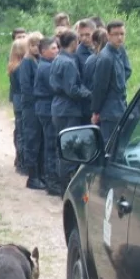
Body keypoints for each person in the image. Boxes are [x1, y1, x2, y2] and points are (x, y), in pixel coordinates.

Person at [49, 30, 91, 191]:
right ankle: (66, 186)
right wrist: (89, 94)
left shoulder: (57, 59)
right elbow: (72, 89)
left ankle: (62, 183)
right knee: (69, 149)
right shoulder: (69, 63)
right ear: (73, 43)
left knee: (62, 146)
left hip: (57, 108)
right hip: (68, 110)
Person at [91, 20, 129, 142]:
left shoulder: (120, 51)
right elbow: (99, 87)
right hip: (109, 111)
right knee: (109, 145)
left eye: (122, 34)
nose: (119, 37)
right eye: (115, 34)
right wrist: (96, 111)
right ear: (108, 35)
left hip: (120, 107)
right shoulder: (105, 57)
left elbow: (127, 71)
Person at [34, 37, 61, 196]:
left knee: (50, 143)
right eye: (52, 48)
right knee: (51, 144)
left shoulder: (47, 65)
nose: (56, 51)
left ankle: (50, 177)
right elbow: (54, 87)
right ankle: (52, 181)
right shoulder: (46, 67)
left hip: (45, 107)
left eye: (57, 48)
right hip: (46, 108)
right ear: (43, 51)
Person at [18, 32, 45, 190]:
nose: (36, 48)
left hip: (38, 106)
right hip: (31, 107)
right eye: (33, 45)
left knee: (40, 140)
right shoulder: (27, 63)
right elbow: (26, 87)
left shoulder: (39, 60)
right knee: (32, 139)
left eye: (38, 44)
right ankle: (32, 176)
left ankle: (40, 174)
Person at [7, 38, 26, 174]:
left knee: (19, 131)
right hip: (21, 101)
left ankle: (19, 159)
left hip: (16, 100)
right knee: (22, 132)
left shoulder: (12, 65)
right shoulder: (21, 67)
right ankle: (22, 161)